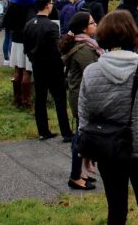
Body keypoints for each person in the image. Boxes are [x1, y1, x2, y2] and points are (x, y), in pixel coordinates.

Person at [78, 10, 138, 225]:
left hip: (107, 148)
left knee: (116, 211)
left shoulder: (92, 71)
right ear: (133, 35)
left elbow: (84, 115)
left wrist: (85, 150)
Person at [24, 0, 74, 141]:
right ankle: (66, 132)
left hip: (37, 65)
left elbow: (26, 48)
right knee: (59, 99)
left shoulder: (29, 24)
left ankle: (43, 131)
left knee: (40, 98)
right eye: (51, 3)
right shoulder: (51, 26)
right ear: (47, 5)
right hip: (53, 67)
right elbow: (57, 48)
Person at [61, 11, 101, 191]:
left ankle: (79, 172)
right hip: (81, 97)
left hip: (78, 94)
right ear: (84, 28)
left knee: (81, 134)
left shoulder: (83, 44)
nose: (96, 24)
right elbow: (93, 72)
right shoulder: (84, 49)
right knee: (80, 135)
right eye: (92, 23)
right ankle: (75, 176)